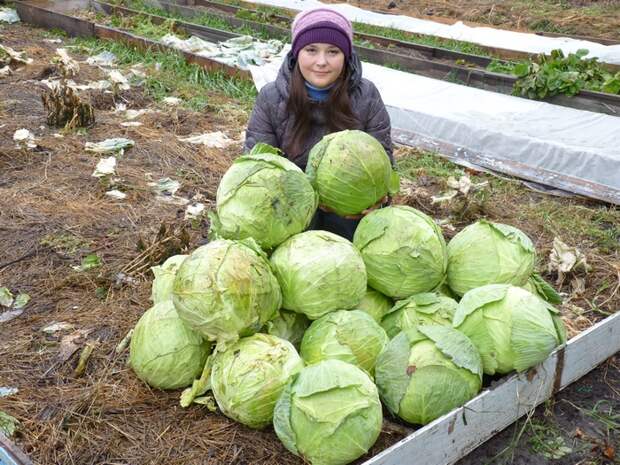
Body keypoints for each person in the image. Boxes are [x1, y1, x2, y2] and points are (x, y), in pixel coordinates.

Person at [244, 7, 393, 240]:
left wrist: (378, 199)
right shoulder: (271, 98)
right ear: (296, 53)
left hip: (350, 213)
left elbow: (383, 161)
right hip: (291, 211)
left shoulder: (366, 96)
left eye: (333, 51)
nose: (321, 62)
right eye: (311, 50)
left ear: (346, 56)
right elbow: (256, 165)